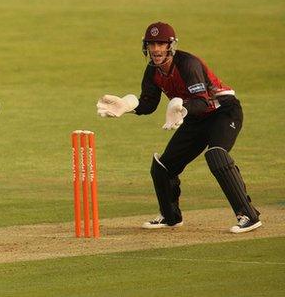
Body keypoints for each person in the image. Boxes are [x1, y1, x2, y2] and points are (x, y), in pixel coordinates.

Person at [96, 22, 261, 234]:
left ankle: (248, 214)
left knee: (216, 155)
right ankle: (170, 216)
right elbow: (148, 104)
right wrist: (128, 106)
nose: (156, 49)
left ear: (170, 46)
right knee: (163, 167)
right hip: (194, 118)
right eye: (152, 44)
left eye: (161, 44)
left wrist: (182, 107)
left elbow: (202, 101)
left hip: (223, 112)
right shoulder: (152, 71)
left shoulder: (188, 64)